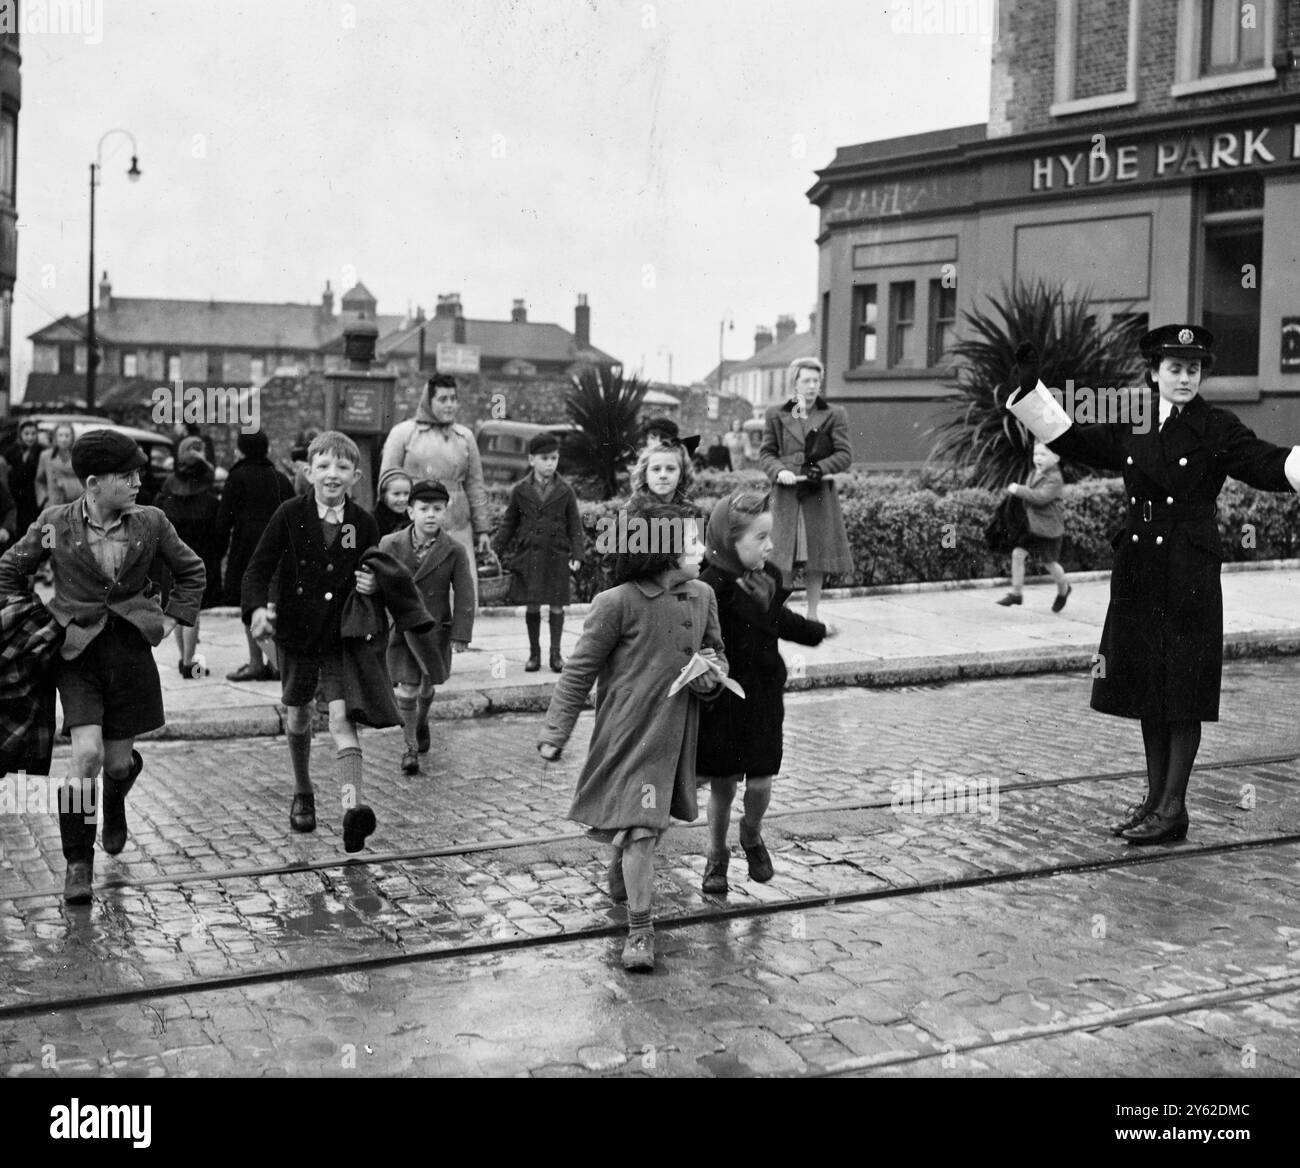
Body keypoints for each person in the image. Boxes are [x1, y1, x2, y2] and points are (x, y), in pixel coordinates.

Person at [1007, 327, 1300, 846]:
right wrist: (1032, 393)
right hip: (1140, 565)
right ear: (1154, 372)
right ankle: (1155, 800)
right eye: (1174, 368)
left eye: (1193, 369)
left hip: (1189, 567)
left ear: (1201, 373)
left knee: (1182, 688)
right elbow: (1075, 439)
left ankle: (1174, 807)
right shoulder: (1134, 418)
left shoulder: (1217, 426)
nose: (1184, 378)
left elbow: (1266, 463)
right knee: (1148, 686)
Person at [0, 430, 205, 904]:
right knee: (86, 756)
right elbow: (11, 568)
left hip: (130, 654)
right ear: (93, 483)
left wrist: (175, 617)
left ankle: (115, 798)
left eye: (138, 474)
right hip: (76, 657)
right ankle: (78, 861)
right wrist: (34, 615)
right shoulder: (55, 523)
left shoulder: (151, 522)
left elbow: (193, 570)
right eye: (126, 476)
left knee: (115, 763)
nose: (138, 482)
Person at [537, 502, 726, 971]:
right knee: (642, 826)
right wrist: (555, 733)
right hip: (629, 736)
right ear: (659, 551)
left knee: (648, 823)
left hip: (676, 735)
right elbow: (578, 673)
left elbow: (715, 652)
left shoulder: (703, 595)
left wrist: (712, 675)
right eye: (692, 542)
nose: (703, 549)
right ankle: (640, 931)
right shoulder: (616, 602)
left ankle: (624, 865)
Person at [242, 431, 383, 853]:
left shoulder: (362, 522)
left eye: (342, 467)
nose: (332, 474)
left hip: (341, 635)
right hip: (298, 634)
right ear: (308, 472)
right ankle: (303, 791)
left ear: (355, 476)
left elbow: (377, 568)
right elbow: (257, 570)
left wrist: (373, 581)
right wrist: (256, 611)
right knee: (299, 714)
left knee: (342, 720)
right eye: (323, 466)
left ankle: (351, 809)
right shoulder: (289, 514)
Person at [695, 490, 831, 894]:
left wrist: (816, 631)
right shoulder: (708, 587)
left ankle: (751, 833)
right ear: (728, 540)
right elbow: (692, 638)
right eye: (760, 537)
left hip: (764, 694)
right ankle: (715, 855)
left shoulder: (767, 575)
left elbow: (779, 618)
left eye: (769, 536)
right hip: (724, 698)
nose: (770, 545)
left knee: (760, 780)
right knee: (723, 784)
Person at [379, 480, 473, 774]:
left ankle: (421, 722)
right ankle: (409, 748)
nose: (430, 515)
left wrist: (461, 632)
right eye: (423, 509)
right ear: (410, 512)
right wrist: (383, 622)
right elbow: (378, 586)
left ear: (445, 512)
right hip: (402, 629)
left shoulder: (454, 550)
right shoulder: (390, 544)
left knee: (427, 685)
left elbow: (465, 591)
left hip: (435, 630)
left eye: (437, 509)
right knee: (406, 688)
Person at [759, 357, 853, 622]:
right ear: (795, 383)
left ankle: (812, 615)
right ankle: (778, 613)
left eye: (816, 381)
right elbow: (766, 453)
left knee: (816, 556)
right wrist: (780, 471)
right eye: (806, 381)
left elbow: (845, 454)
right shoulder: (776, 413)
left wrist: (820, 468)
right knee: (782, 554)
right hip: (787, 494)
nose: (812, 387)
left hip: (818, 493)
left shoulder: (834, 414)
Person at [380, 375, 491, 595]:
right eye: (442, 399)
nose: (449, 405)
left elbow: (476, 485)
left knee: (461, 592)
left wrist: (483, 529)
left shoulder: (465, 437)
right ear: (428, 401)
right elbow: (387, 483)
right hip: (414, 526)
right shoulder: (404, 434)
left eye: (453, 399)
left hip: (457, 526)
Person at [494, 432, 584, 673]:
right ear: (532, 459)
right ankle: (534, 654)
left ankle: (556, 655)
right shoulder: (520, 490)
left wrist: (577, 554)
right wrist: (494, 552)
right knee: (532, 606)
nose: (550, 463)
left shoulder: (565, 490)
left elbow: (575, 525)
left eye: (554, 458)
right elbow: (508, 524)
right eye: (544, 458)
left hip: (556, 555)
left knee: (557, 605)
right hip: (530, 556)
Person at [217, 430, 295, 681]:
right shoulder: (280, 478)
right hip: (278, 545)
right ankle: (276, 662)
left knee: (250, 602)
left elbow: (224, 518)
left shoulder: (237, 476)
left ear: (240, 450)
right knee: (274, 602)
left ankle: (256, 662)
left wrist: (219, 551)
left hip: (246, 546)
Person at [156, 436, 223, 678]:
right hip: (198, 560)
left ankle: (184, 659)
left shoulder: (166, 499)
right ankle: (189, 663)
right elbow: (218, 536)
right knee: (192, 613)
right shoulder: (210, 503)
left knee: (176, 608)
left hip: (170, 561)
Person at [996, 440, 1072, 611]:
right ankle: (1016, 594)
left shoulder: (1055, 479)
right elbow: (1028, 496)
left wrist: (1019, 490)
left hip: (1048, 528)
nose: (1038, 458)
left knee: (1050, 563)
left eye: (1043, 454)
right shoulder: (1033, 474)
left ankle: (1064, 589)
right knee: (1018, 554)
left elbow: (1040, 497)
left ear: (1056, 458)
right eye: (1035, 454)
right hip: (1031, 526)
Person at [627, 439, 695, 512]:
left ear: (681, 477)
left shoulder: (690, 512)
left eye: (670, 469)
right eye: (656, 469)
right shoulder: (630, 512)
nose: (663, 475)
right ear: (645, 476)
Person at [3, 419, 43, 535]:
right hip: (16, 498)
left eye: (33, 434)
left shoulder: (42, 451)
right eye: (26, 434)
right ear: (20, 434)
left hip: (34, 499)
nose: (30, 437)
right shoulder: (11, 451)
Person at [37, 421, 84, 508]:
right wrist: (44, 500)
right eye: (60, 435)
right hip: (53, 506)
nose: (64, 439)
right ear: (55, 437)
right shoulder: (46, 456)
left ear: (72, 437)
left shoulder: (79, 456)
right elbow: (39, 481)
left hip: (74, 506)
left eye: (67, 435)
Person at [373, 468, 414, 539]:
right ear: (383, 495)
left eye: (406, 493)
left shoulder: (414, 518)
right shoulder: (372, 522)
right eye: (396, 494)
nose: (402, 499)